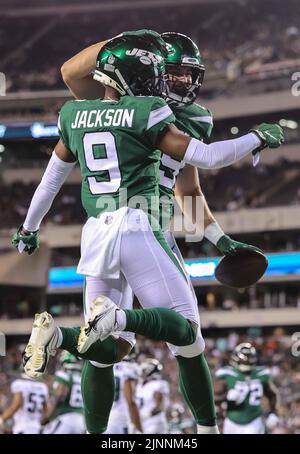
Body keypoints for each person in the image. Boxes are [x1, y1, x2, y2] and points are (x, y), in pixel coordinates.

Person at [12, 32, 284, 434]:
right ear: (146, 70)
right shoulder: (145, 109)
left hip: (100, 230)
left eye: (185, 76)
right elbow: (72, 70)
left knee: (110, 350)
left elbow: (188, 190)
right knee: (187, 337)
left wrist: (219, 240)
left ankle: (70, 354)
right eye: (168, 74)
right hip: (143, 225)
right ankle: (205, 429)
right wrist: (132, 43)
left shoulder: (94, 113)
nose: (178, 83)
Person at [215, 343, 279, 434]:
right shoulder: (227, 374)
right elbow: (213, 399)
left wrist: (273, 412)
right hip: (231, 421)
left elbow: (273, 395)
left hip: (254, 420)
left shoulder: (262, 374)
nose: (246, 361)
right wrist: (226, 397)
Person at [42, 352, 85, 434]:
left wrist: (47, 417)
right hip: (81, 421)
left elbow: (59, 397)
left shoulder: (64, 375)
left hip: (65, 418)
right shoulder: (83, 379)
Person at [136, 358, 170, 434]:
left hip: (154, 421)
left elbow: (161, 405)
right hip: (145, 422)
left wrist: (147, 415)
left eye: (144, 370)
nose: (142, 373)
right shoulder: (141, 386)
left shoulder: (158, 384)